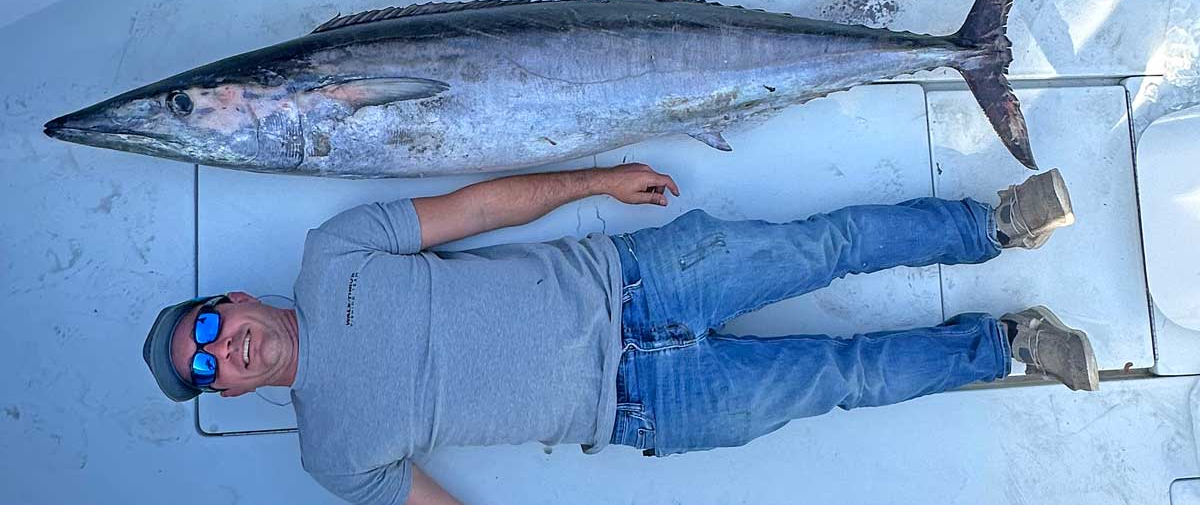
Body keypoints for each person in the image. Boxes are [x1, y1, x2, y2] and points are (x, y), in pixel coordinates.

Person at [142, 163, 1094, 505]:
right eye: (209, 369)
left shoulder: (331, 253)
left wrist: (595, 181)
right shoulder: (330, 455)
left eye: (213, 329)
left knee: (827, 243)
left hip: (635, 278)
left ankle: (993, 223)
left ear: (234, 301)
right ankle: (1008, 346)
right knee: (840, 376)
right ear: (226, 395)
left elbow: (474, 210)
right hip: (647, 406)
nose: (226, 351)